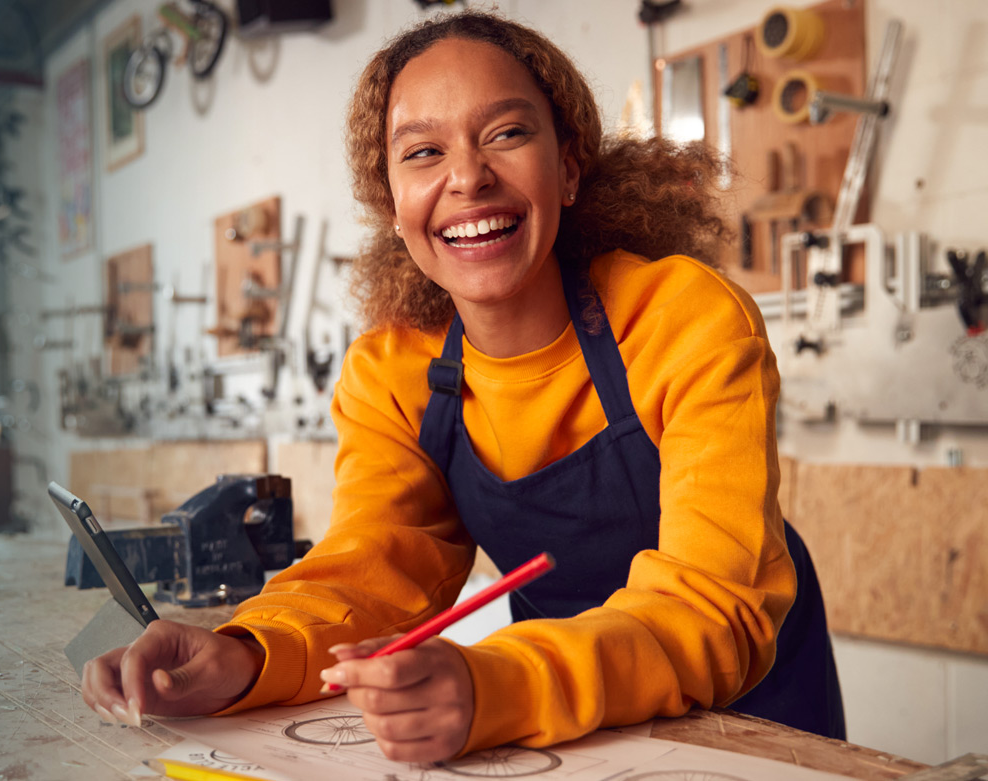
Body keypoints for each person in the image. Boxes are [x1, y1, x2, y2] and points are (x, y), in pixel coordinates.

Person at [78, 9, 845, 764]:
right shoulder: (392, 369)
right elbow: (374, 568)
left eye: (507, 134)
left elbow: (710, 609)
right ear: (391, 201)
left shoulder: (683, 316)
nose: (468, 177)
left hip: (745, 715)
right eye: (422, 152)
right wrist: (244, 653)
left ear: (569, 166)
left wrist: (502, 684)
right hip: (569, 723)